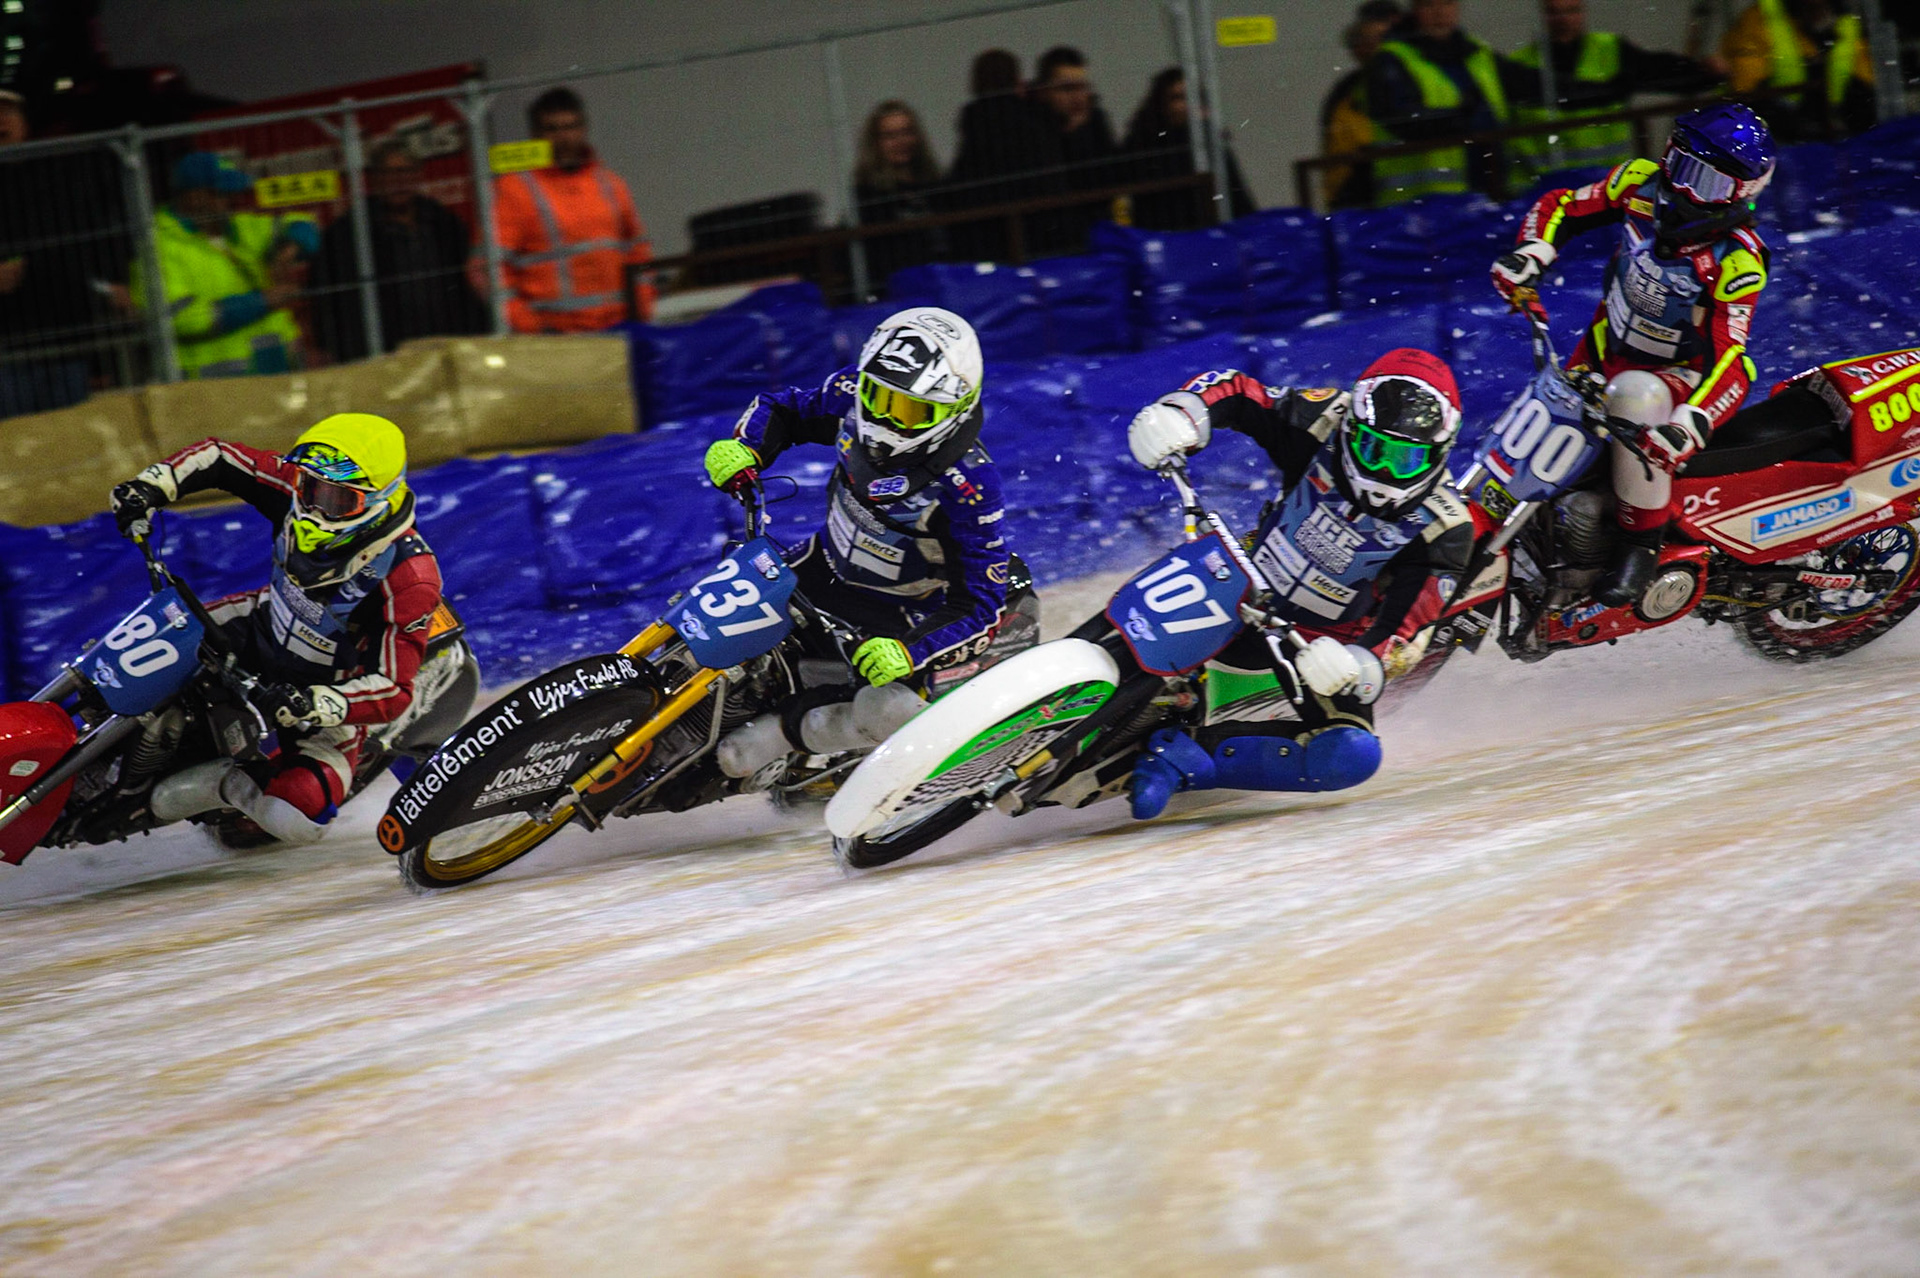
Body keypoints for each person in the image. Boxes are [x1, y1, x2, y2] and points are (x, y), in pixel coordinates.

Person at [1123, 349, 1473, 819]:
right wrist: (1185, 411)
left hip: (1316, 651)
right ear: (1352, 428)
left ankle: (1189, 758)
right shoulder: (1324, 417)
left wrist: (1359, 664)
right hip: (1241, 582)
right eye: (1374, 450)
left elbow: (1408, 632)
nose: (1384, 473)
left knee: (1351, 754)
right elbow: (1241, 393)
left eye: (1406, 460)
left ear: (1438, 456)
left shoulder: (1446, 527)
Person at [700, 308, 1013, 779]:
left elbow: (983, 601)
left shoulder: (969, 486)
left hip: (898, 615)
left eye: (909, 411)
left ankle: (788, 746)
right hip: (822, 563)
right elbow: (784, 408)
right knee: (717, 611)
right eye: (878, 397)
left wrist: (909, 651)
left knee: (884, 709)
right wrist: (748, 447)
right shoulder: (850, 393)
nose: (884, 419)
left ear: (954, 411)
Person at [1491, 104, 1776, 605]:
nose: (1682, 191)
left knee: (1634, 393)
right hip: (1602, 354)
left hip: (1676, 380)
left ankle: (1640, 547)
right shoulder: (1637, 182)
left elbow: (1733, 361)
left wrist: (1690, 424)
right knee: (1550, 420)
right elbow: (1563, 205)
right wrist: (1533, 251)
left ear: (1741, 194)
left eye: (1706, 184)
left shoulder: (1737, 260)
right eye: (1681, 167)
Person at [107, 413, 446, 828]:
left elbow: (394, 689)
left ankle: (225, 788)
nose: (315, 507)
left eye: (338, 500)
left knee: (296, 817)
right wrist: (152, 485)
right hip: (258, 624)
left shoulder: (409, 575)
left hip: (322, 689)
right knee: (132, 649)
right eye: (311, 487)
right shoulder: (291, 488)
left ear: (381, 500)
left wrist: (316, 704)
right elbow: (219, 456)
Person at [128, 151, 317, 380]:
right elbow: (180, 318)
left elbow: (303, 222)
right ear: (194, 197)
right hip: (215, 382)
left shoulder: (240, 226)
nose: (234, 200)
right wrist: (262, 301)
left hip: (277, 367)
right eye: (223, 193)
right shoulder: (158, 248)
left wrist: (290, 248)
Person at [482, 86, 653, 331]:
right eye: (552, 129)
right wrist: (534, 329)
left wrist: (641, 311)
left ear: (584, 129)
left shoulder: (611, 184)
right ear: (535, 134)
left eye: (570, 126)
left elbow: (638, 251)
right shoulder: (513, 189)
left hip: (620, 330)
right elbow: (490, 271)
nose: (563, 138)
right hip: (556, 338)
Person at [0, 87, 126, 417]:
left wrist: (110, 282)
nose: (1, 121)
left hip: (68, 340)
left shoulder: (58, 174)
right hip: (8, 352)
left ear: (25, 121)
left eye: (8, 112)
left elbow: (85, 243)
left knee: (77, 431)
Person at [311, 137, 489, 363]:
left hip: (446, 345)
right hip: (383, 354)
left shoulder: (444, 222)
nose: (398, 181)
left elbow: (468, 285)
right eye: (389, 174)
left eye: (405, 172)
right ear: (374, 179)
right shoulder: (348, 233)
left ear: (417, 175)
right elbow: (327, 299)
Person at [1511, 0, 1724, 178]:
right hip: (1542, 187)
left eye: (1571, 11)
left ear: (1582, 13)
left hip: (1606, 181)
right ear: (1542, 15)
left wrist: (1704, 72)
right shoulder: (1519, 66)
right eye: (1554, 12)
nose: (1563, 19)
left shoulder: (1610, 49)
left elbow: (1658, 70)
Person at [1365, 0, 1542, 203]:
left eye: (1447, 3)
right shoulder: (1391, 60)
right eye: (1429, 5)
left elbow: (1530, 86)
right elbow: (1402, 118)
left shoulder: (1476, 53)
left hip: (1491, 191)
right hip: (1422, 205)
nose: (1439, 13)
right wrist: (1459, 118)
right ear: (1415, 10)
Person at [944, 49, 1064, 261]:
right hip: (1038, 230)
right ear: (1015, 79)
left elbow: (961, 184)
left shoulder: (975, 123)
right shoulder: (1034, 119)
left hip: (987, 237)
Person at [1122, 67, 1256, 230]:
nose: (1187, 105)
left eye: (1192, 98)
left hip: (1208, 230)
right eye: (1178, 98)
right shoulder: (1144, 143)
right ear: (1161, 103)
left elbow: (1236, 192)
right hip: (1167, 232)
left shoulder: (1209, 142)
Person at [1722, 0, 1875, 142]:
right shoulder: (1761, 19)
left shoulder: (1848, 24)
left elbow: (1866, 84)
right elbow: (1746, 90)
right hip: (1780, 134)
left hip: (1839, 135)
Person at [1033, 45, 1120, 250]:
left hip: (1099, 235)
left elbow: (1110, 177)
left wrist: (1079, 136)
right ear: (1044, 92)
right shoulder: (1034, 129)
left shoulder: (1096, 122)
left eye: (1082, 87)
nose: (1078, 97)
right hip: (1053, 244)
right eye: (1067, 88)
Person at [1319, 1, 1403, 209]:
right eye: (1370, 40)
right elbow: (1339, 173)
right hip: (1376, 211)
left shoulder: (1347, 94)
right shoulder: (1347, 96)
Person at [854, 101, 946, 287]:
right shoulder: (869, 194)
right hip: (900, 286)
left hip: (943, 278)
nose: (901, 142)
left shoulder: (935, 185)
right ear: (876, 143)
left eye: (906, 132)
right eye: (890, 136)